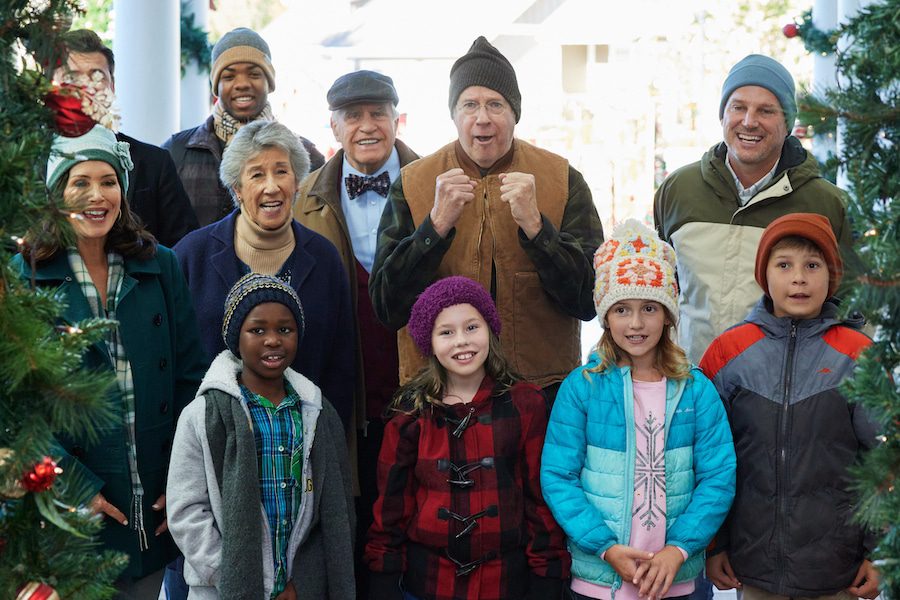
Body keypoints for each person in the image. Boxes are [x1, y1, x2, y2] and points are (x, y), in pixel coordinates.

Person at [13, 124, 207, 597]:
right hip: (70, 505)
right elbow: (15, 406)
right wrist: (76, 485)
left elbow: (190, 376)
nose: (96, 196)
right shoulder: (24, 276)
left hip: (157, 502)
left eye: (108, 181)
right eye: (79, 182)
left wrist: (180, 479)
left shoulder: (160, 264)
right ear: (56, 193)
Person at [369, 36, 604, 402]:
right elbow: (387, 307)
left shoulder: (561, 179)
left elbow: (590, 300)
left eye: (496, 104)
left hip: (540, 394)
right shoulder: (414, 183)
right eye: (470, 104)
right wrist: (435, 227)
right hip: (438, 397)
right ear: (454, 115)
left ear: (515, 114)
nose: (482, 118)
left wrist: (537, 230)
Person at [541, 220, 736, 600]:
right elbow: (558, 476)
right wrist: (605, 546)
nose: (635, 323)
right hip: (599, 580)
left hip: (678, 581)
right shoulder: (582, 388)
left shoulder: (696, 390)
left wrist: (677, 550)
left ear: (667, 315)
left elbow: (718, 478)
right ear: (606, 316)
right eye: (621, 310)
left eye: (649, 308)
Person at [699, 213, 880, 600]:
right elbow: (706, 457)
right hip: (754, 569)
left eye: (812, 266)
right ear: (764, 274)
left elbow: (885, 459)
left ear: (832, 277)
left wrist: (880, 552)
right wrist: (714, 545)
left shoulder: (857, 354)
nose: (799, 278)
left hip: (838, 570)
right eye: (784, 265)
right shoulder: (727, 353)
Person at [293, 68, 419, 595]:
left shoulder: (436, 182)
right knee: (354, 529)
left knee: (419, 526)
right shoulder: (304, 198)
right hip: (344, 401)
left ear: (398, 119)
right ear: (334, 126)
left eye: (377, 113)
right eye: (353, 116)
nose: (366, 126)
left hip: (422, 392)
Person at [365, 276, 570, 600]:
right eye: (446, 332)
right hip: (429, 584)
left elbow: (539, 504)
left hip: (505, 584)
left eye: (472, 327)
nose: (461, 341)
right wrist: (383, 578)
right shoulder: (410, 414)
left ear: (490, 329)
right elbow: (390, 509)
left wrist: (546, 578)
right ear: (429, 343)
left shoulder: (525, 404)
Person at [654, 54, 856, 365]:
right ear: (723, 115)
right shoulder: (679, 189)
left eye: (766, 110)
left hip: (780, 399)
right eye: (738, 107)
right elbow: (661, 288)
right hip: (689, 385)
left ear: (788, 123)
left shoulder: (826, 204)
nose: (749, 121)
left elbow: (849, 311)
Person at [167, 273, 355, 599]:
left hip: (300, 590)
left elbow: (336, 516)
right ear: (234, 338)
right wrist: (239, 577)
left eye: (285, 329)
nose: (272, 340)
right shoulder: (201, 415)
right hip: (223, 588)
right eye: (257, 330)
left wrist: (305, 583)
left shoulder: (316, 414)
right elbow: (186, 513)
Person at [173, 120, 355, 431]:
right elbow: (174, 360)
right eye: (257, 174)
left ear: (297, 181)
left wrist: (326, 440)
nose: (272, 186)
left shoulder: (324, 257)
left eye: (281, 171)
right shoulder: (192, 254)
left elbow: (342, 364)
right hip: (213, 439)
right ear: (237, 189)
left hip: (304, 442)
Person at [163, 27, 325, 227]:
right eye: (229, 77)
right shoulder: (176, 152)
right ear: (216, 86)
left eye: (254, 74)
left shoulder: (307, 156)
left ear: (269, 82)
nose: (242, 84)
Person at [56, 28, 199, 247]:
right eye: (72, 78)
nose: (86, 88)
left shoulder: (155, 163)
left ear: (112, 87)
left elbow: (185, 247)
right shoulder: (26, 161)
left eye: (96, 76)